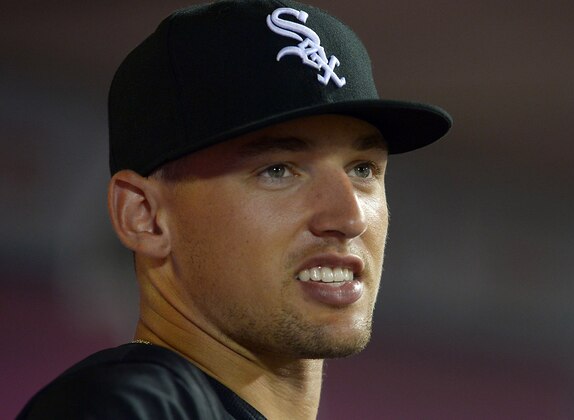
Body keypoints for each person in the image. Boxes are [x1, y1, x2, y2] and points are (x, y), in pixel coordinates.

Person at [18, 0, 451, 418]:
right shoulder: (129, 406)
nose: (349, 217)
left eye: (363, 168)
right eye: (278, 170)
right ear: (144, 216)